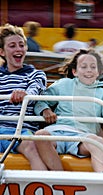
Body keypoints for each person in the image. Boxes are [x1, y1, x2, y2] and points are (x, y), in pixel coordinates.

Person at [34, 49, 103, 172]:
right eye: (83, 67)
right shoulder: (63, 84)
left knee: (98, 142)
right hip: (57, 131)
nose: (89, 70)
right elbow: (41, 100)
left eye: (93, 67)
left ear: (98, 72)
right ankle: (60, 179)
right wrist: (45, 110)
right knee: (40, 136)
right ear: (75, 71)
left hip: (83, 136)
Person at [0, 23, 48, 170]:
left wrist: (25, 94)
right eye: (12, 46)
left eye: (21, 45)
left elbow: (35, 90)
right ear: (2, 52)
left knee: (31, 146)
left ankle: (46, 188)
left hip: (21, 131)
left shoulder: (35, 74)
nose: (18, 49)